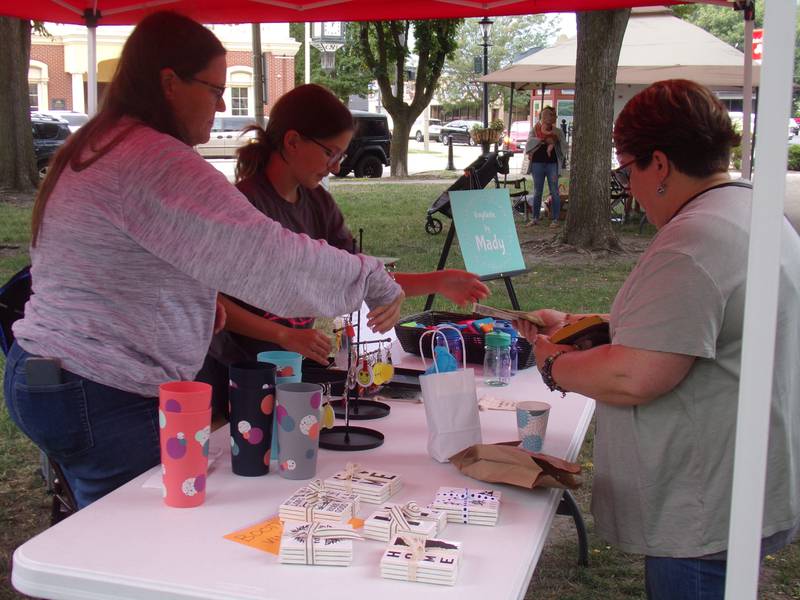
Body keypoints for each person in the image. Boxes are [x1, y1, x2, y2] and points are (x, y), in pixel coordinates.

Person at [3, 12, 405, 509]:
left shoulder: (102, 142)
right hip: (99, 388)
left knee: (115, 531)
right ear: (169, 83)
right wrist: (373, 279)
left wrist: (190, 302)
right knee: (141, 546)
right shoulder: (150, 158)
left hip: (61, 376)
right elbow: (267, 257)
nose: (220, 106)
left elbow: (124, 259)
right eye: (214, 90)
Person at [514, 80, 800, 600]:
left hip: (702, 505)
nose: (629, 183)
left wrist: (554, 363)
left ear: (660, 165)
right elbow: (690, 327)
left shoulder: (693, 242)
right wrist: (584, 327)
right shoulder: (749, 214)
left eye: (628, 168)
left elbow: (637, 373)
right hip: (739, 484)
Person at [198, 84, 490, 413]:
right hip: (237, 378)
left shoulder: (318, 202)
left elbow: (360, 274)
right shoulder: (246, 205)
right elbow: (211, 302)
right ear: (292, 141)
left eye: (341, 155)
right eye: (329, 153)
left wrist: (437, 281)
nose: (335, 166)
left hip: (289, 371)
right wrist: (283, 335)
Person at [524, 106, 566, 228]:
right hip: (537, 163)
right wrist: (543, 140)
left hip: (552, 164)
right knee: (537, 191)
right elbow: (529, 143)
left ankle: (555, 219)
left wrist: (554, 141)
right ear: (542, 117)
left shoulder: (557, 131)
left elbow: (563, 146)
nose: (548, 118)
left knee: (554, 191)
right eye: (546, 115)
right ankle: (535, 218)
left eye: (550, 115)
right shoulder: (535, 129)